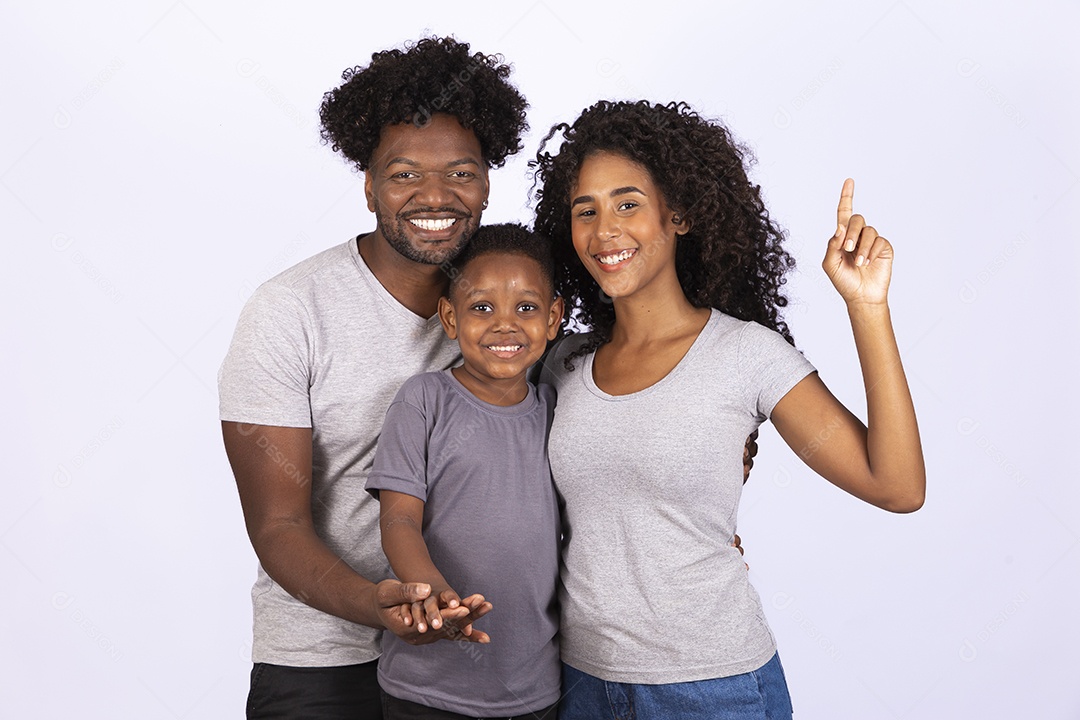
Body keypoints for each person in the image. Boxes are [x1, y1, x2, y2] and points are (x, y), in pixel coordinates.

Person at [532, 100, 926, 719]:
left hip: (712, 689)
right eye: (586, 210)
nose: (604, 229)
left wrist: (867, 306)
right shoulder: (562, 362)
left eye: (628, 204)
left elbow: (897, 485)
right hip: (581, 682)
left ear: (679, 215)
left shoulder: (745, 356)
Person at [218, 37, 528, 718]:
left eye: (462, 172)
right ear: (367, 186)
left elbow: (632, 364)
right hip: (324, 663)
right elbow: (276, 526)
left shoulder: (511, 301)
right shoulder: (288, 312)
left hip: (476, 653)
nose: (435, 196)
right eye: (404, 173)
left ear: (487, 180)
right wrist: (377, 603)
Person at [366, 223, 563, 719]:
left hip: (534, 689)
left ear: (554, 317)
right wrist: (431, 593)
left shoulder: (559, 411)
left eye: (526, 307)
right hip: (425, 689)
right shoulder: (424, 400)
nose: (505, 324)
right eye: (481, 308)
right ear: (450, 318)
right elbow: (399, 520)